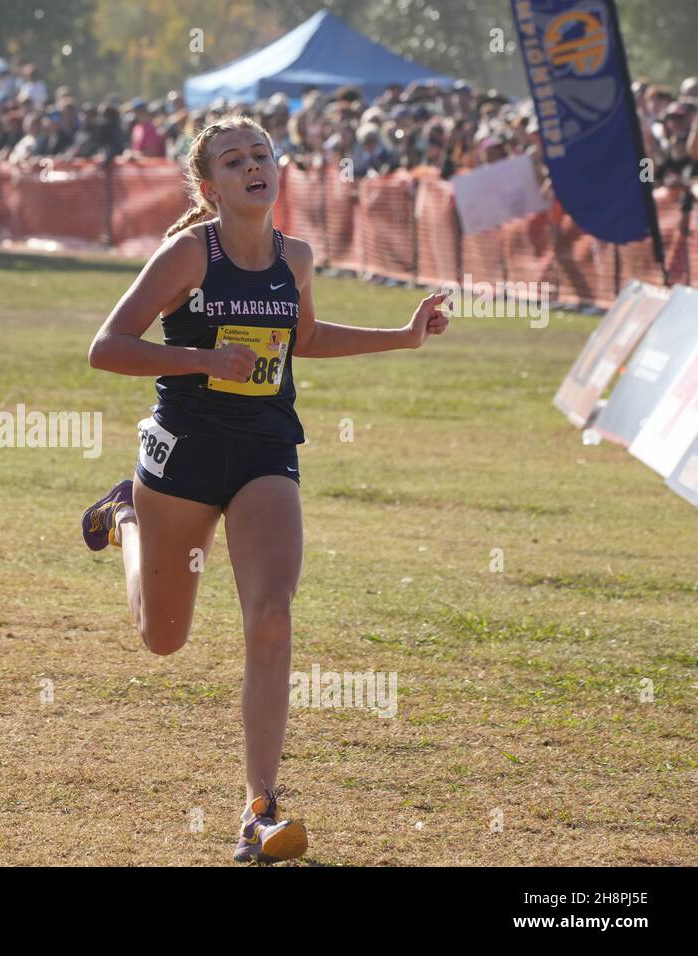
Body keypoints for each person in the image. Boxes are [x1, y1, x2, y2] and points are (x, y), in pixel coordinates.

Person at [81, 115, 450, 864]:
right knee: (163, 638)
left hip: (264, 450)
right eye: (233, 160)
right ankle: (126, 517)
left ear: (278, 168)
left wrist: (401, 336)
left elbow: (303, 340)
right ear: (208, 183)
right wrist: (201, 360)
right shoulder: (187, 254)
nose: (253, 167)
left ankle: (260, 805)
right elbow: (106, 347)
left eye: (261, 155)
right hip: (183, 454)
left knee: (272, 615)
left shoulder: (298, 258)